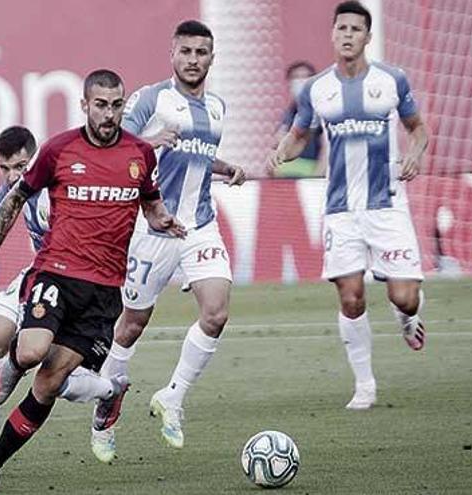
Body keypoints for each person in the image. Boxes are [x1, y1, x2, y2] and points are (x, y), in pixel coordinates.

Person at [0, 69, 185, 494]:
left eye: (117, 105)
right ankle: (11, 366)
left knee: (48, 384)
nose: (109, 113)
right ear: (84, 105)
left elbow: (151, 205)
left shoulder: (140, 154)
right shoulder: (59, 150)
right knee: (30, 353)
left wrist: (163, 220)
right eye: (100, 104)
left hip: (104, 291)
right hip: (57, 274)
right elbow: (13, 200)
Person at [89, 20, 247, 462]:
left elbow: (193, 155)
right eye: (186, 52)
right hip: (153, 228)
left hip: (200, 225)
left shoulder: (216, 106)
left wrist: (226, 167)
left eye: (201, 52)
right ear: (172, 55)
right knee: (131, 325)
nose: (193, 60)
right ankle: (106, 412)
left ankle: (172, 398)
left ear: (212, 58)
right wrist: (148, 141)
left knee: (216, 313)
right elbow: (112, 144)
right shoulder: (150, 98)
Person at [269, 1, 429, 410]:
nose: (347, 35)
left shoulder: (393, 80)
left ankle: (408, 318)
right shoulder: (317, 89)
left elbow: (418, 128)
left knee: (404, 296)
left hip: (387, 206)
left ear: (367, 37)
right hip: (340, 210)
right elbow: (299, 133)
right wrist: (282, 151)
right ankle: (365, 385)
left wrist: (415, 154)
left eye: (356, 29)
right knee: (352, 296)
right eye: (341, 28)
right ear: (333, 34)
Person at [0, 127, 124, 477]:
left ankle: (108, 390)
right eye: (4, 168)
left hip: (77, 286)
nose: (13, 175)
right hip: (38, 276)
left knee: (52, 376)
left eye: (19, 166)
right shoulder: (17, 187)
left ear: (35, 156)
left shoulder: (63, 184)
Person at [273, 61, 325, 177]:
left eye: (305, 77)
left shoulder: (321, 112)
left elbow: (327, 147)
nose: (301, 82)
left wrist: (317, 177)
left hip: (311, 175)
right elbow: (277, 147)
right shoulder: (289, 113)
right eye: (296, 78)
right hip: (286, 178)